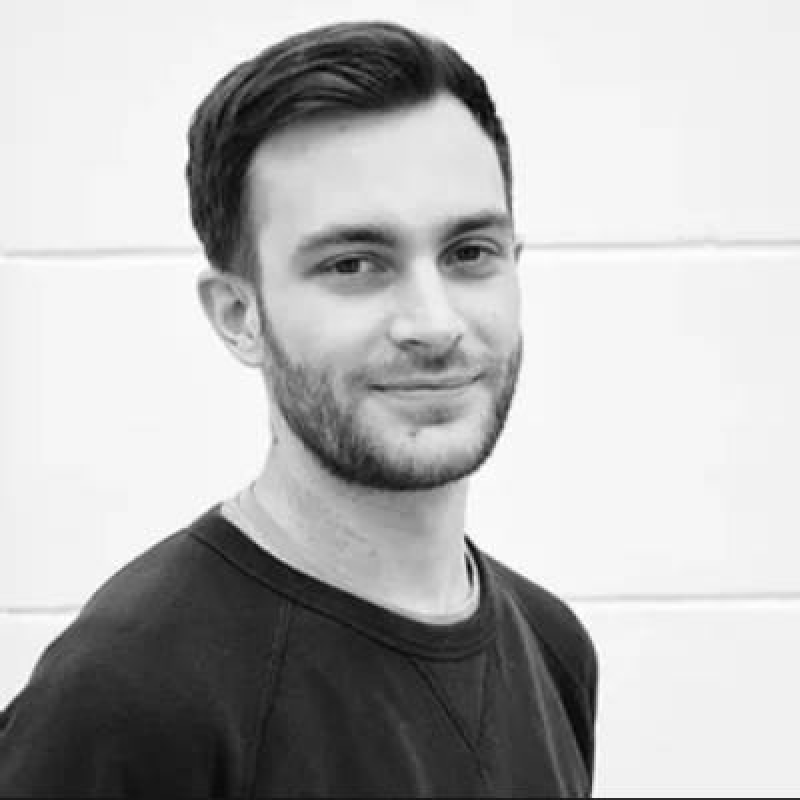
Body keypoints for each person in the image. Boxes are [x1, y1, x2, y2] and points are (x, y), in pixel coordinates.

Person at [0, 20, 597, 798]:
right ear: (239, 316)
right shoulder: (129, 698)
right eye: (353, 264)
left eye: (469, 253)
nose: (434, 322)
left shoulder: (553, 646)